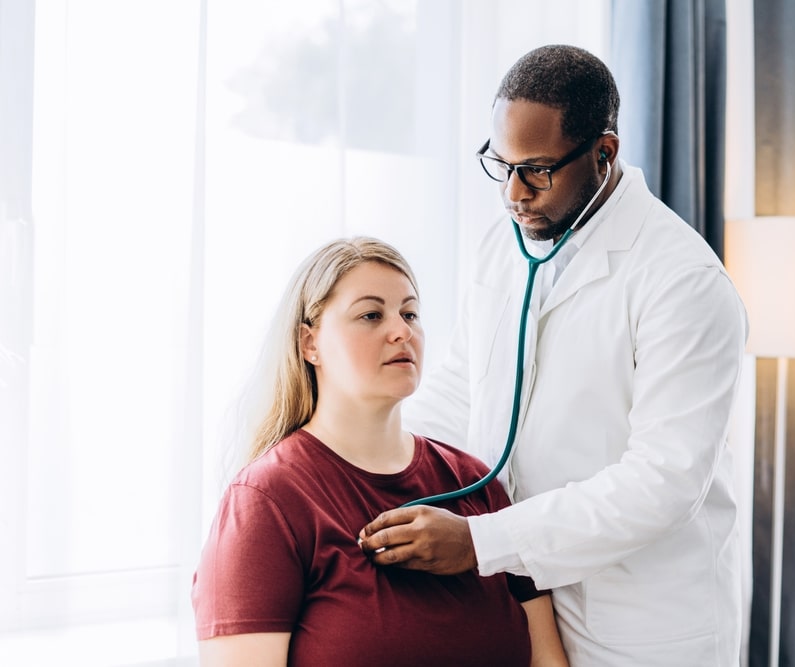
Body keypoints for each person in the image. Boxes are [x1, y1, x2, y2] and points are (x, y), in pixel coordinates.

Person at [358, 45, 749, 665]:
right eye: (500, 164)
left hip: (640, 627)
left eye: (537, 170)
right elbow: (463, 389)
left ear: (604, 153)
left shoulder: (684, 281)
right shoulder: (501, 245)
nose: (514, 193)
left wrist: (481, 543)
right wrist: (360, 464)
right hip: (523, 604)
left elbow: (665, 482)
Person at [191, 237, 568, 666]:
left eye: (410, 313)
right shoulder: (265, 503)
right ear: (308, 343)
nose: (402, 331)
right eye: (371, 315)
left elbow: (548, 660)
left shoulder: (474, 484)